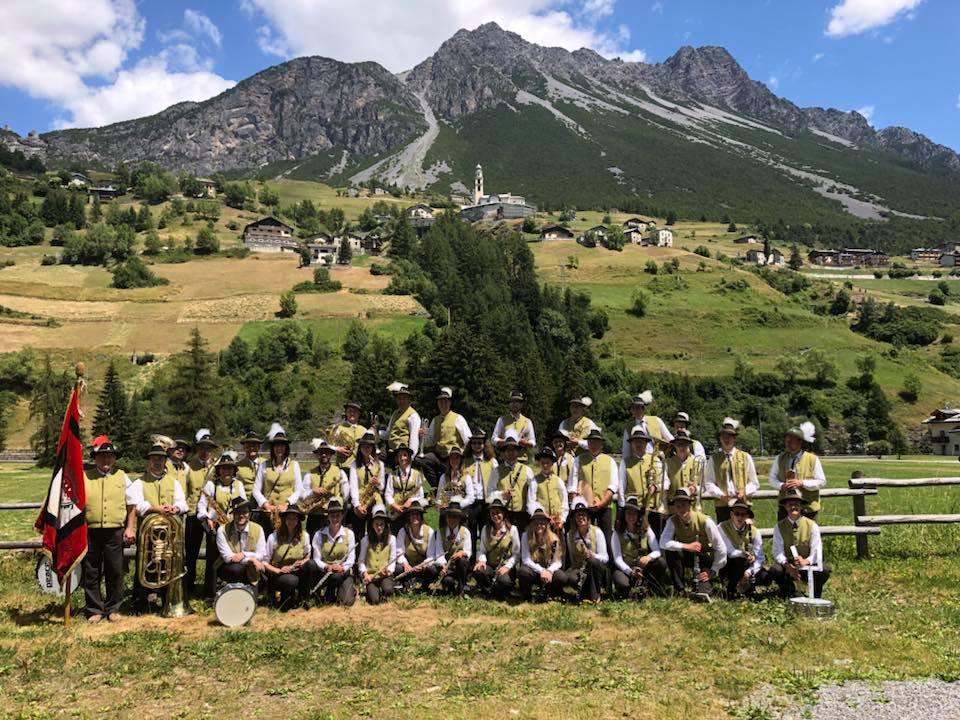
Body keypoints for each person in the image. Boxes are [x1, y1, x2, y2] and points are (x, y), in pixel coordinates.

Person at [82, 437, 136, 623]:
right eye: (102, 456)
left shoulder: (122, 477)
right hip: (91, 531)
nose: (106, 460)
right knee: (91, 571)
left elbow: (131, 505)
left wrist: (130, 528)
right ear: (95, 458)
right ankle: (94, 609)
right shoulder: (85, 477)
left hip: (115, 532)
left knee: (115, 571)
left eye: (109, 457)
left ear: (114, 459)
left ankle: (113, 608)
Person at [660, 488, 727, 601]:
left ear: (690, 505)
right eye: (678, 506)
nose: (681, 509)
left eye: (684, 504)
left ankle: (706, 585)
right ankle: (679, 589)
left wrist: (713, 571)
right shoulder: (672, 520)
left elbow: (721, 549)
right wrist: (686, 546)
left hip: (705, 558)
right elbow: (663, 542)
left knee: (703, 592)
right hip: (689, 555)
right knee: (671, 551)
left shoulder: (705, 521)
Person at [197, 450, 246, 598]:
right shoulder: (211, 485)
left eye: (230, 468)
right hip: (216, 527)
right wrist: (208, 518)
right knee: (213, 561)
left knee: (234, 558)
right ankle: (210, 594)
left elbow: (243, 506)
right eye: (224, 468)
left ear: (234, 470)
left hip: (234, 527)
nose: (227, 471)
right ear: (219, 470)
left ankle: (234, 589)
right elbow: (201, 506)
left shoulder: (239, 485)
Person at [769, 489, 831, 599]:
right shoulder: (779, 526)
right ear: (785, 507)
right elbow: (777, 551)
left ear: (801, 506)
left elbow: (816, 549)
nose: (793, 507)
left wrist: (806, 561)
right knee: (775, 570)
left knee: (824, 570)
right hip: (788, 564)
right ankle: (788, 592)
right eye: (790, 504)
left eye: (796, 504)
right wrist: (788, 566)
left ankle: (815, 595)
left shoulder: (812, 525)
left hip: (807, 562)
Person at [610, 495, 667, 599]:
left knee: (661, 562)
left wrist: (648, 557)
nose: (631, 516)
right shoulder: (617, 533)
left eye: (634, 513)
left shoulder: (646, 529)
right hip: (626, 568)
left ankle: (653, 589)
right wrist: (630, 572)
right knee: (623, 585)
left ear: (638, 515)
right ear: (624, 515)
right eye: (628, 513)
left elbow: (657, 551)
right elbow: (617, 559)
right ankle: (628, 590)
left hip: (642, 567)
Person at [568, 428, 618, 545]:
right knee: (583, 536)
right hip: (584, 507)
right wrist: (576, 499)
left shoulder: (610, 461)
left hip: (604, 506)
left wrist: (602, 502)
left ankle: (608, 561)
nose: (594, 445)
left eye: (596, 442)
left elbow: (614, 485)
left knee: (607, 537)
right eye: (591, 442)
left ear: (601, 444)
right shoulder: (579, 460)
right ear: (588, 443)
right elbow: (573, 482)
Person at [703, 418, 759, 523]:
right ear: (720, 439)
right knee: (723, 536)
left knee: (744, 535)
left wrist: (744, 492)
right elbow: (709, 482)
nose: (726, 439)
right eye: (724, 437)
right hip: (722, 505)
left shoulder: (745, 457)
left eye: (729, 436)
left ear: (734, 439)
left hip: (742, 503)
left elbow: (754, 483)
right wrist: (721, 495)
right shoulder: (713, 459)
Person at [768, 422, 826, 520]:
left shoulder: (813, 459)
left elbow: (821, 481)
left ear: (799, 442)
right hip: (785, 508)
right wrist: (782, 486)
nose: (787, 444)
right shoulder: (779, 458)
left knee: (808, 534)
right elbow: (772, 479)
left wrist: (802, 483)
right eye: (786, 441)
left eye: (790, 441)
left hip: (807, 508)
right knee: (784, 534)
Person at [184, 429, 217, 597]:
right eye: (202, 448)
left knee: (213, 552)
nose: (205, 451)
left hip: (211, 515)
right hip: (192, 515)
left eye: (208, 448)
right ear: (197, 449)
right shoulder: (189, 467)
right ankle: (189, 585)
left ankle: (209, 588)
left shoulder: (217, 467)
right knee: (191, 552)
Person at [418, 386, 472, 490]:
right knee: (422, 460)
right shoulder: (435, 419)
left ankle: (450, 488)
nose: (443, 404)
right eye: (441, 402)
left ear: (450, 403)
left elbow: (468, 440)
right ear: (438, 404)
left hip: (453, 456)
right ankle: (436, 487)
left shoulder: (458, 418)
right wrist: (423, 436)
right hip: (439, 456)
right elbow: (430, 442)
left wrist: (461, 452)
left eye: (445, 402)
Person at [307, 497, 357, 606]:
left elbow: (351, 558)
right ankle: (325, 591)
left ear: (342, 516)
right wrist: (326, 567)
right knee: (312, 565)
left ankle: (341, 590)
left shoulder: (349, 534)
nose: (335, 519)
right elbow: (316, 558)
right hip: (325, 572)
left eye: (338, 516)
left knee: (347, 602)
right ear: (328, 516)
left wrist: (342, 567)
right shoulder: (319, 534)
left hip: (342, 571)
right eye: (332, 516)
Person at [253, 423, 302, 533]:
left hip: (287, 513)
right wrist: (265, 505)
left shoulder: (294, 465)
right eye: (276, 445)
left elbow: (299, 489)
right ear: (273, 447)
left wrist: (287, 503)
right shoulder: (264, 465)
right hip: (268, 513)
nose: (279, 448)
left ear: (286, 447)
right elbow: (256, 490)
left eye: (282, 445)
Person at [618, 426, 667, 534]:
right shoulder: (625, 462)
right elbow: (621, 486)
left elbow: (666, 481)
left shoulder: (656, 459)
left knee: (655, 537)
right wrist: (622, 507)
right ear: (631, 444)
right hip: (635, 508)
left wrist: (656, 487)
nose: (639, 445)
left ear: (646, 443)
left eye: (641, 442)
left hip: (653, 507)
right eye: (636, 442)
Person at [263, 503, 311, 610]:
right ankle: (282, 598)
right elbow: (265, 562)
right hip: (278, 573)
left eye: (294, 518)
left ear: (298, 520)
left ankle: (304, 598)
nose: (291, 521)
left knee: (310, 565)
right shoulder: (273, 537)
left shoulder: (305, 536)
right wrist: (279, 571)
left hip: (297, 570)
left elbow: (308, 556)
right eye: (289, 518)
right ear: (284, 520)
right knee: (291, 581)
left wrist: (302, 562)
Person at [471, 493, 520, 598]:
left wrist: (507, 567)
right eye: (492, 513)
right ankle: (488, 589)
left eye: (498, 513)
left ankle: (499, 590)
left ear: (504, 514)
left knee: (504, 581)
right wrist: (482, 561)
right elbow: (483, 550)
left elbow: (516, 554)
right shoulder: (485, 529)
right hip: (491, 565)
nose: (495, 516)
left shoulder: (512, 530)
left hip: (506, 566)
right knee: (478, 571)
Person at [717, 499, 767, 599]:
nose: (739, 517)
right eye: (737, 514)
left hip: (746, 566)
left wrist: (749, 572)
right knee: (738, 561)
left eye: (743, 514)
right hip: (729, 564)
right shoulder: (721, 527)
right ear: (731, 515)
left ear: (747, 516)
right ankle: (731, 589)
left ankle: (746, 587)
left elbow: (760, 558)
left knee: (765, 577)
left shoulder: (754, 531)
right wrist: (744, 554)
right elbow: (729, 551)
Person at [486, 431, 535, 533]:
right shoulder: (496, 471)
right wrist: (501, 494)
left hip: (522, 514)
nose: (511, 453)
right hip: (504, 514)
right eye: (508, 450)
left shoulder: (527, 470)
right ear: (503, 453)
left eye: (513, 450)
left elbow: (534, 492)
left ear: (518, 452)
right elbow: (489, 493)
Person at [518, 505, 567, 601]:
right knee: (523, 571)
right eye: (536, 523)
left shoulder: (554, 538)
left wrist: (549, 571)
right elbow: (525, 559)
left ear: (546, 524)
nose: (539, 525)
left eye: (542, 523)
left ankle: (552, 592)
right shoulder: (525, 536)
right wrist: (541, 571)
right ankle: (526, 594)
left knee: (562, 577)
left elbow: (558, 561)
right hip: (534, 570)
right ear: (532, 524)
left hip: (548, 571)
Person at [300, 439, 349, 536]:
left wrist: (335, 501)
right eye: (321, 453)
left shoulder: (340, 472)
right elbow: (302, 495)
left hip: (333, 516)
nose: (323, 455)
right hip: (314, 516)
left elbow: (346, 495)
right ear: (317, 455)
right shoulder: (309, 474)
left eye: (326, 453)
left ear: (330, 455)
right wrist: (313, 491)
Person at [565, 497, 609, 604]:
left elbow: (605, 558)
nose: (581, 517)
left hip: (597, 568)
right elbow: (572, 557)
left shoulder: (597, 532)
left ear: (588, 517)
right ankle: (584, 593)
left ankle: (595, 596)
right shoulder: (569, 535)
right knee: (571, 578)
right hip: (579, 568)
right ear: (574, 518)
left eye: (583, 514)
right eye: (578, 515)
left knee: (592, 562)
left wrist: (593, 555)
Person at [215, 498, 265, 586]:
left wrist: (244, 554)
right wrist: (252, 559)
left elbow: (262, 554)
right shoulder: (222, 530)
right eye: (237, 512)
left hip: (252, 569)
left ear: (249, 514)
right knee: (236, 569)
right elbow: (228, 558)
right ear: (233, 514)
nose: (241, 515)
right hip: (230, 569)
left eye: (244, 512)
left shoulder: (259, 529)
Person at [429, 498, 472, 596]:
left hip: (460, 566)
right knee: (448, 581)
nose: (452, 520)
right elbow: (439, 553)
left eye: (455, 517)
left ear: (459, 518)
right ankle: (450, 585)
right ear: (446, 518)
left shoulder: (465, 532)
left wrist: (462, 553)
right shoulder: (441, 532)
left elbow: (469, 551)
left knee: (463, 561)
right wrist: (443, 566)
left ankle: (461, 586)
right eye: (450, 517)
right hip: (446, 567)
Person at [394, 499, 439, 591]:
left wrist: (422, 565)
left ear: (421, 516)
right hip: (408, 568)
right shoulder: (403, 531)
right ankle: (405, 583)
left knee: (433, 570)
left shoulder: (429, 531)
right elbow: (399, 553)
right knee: (397, 568)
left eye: (417, 514)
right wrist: (406, 564)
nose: (415, 517)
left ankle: (424, 585)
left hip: (422, 568)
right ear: (409, 517)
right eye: (412, 514)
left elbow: (431, 556)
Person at [385, 443, 428, 534]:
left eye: (405, 455)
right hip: (396, 510)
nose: (402, 458)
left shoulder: (417, 474)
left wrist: (410, 500)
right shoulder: (392, 475)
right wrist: (394, 505)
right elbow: (388, 494)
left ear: (409, 457)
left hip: (411, 510)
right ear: (397, 458)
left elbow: (421, 495)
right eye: (400, 455)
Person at [358, 504, 397, 605]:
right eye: (377, 524)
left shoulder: (392, 539)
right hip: (371, 576)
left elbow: (393, 559)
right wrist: (365, 573)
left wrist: (388, 571)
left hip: (385, 575)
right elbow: (361, 561)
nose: (379, 527)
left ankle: (386, 590)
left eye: (382, 524)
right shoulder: (365, 540)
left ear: (385, 525)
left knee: (388, 590)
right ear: (372, 525)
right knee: (375, 600)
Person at [349, 431, 385, 540]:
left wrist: (377, 483)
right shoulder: (354, 465)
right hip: (360, 501)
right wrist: (357, 505)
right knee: (358, 533)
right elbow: (353, 487)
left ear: (373, 448)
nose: (366, 448)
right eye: (364, 446)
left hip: (375, 501)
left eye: (369, 446)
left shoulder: (380, 464)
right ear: (360, 448)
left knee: (374, 532)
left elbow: (382, 487)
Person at [464, 430, 497, 537]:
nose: (477, 446)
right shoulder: (465, 461)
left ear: (484, 444)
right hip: (471, 503)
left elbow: (497, 481)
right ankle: (471, 554)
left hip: (485, 502)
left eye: (479, 443)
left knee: (486, 533)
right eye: (474, 443)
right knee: (470, 533)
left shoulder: (492, 461)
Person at [621, 391, 673, 459]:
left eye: (639, 407)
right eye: (634, 408)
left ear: (644, 409)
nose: (637, 410)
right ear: (631, 410)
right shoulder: (628, 428)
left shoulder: (656, 420)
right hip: (637, 462)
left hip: (656, 460)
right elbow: (626, 451)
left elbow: (669, 438)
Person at [529, 446, 568, 535]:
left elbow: (564, 501)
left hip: (557, 522)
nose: (545, 465)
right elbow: (531, 502)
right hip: (541, 523)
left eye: (548, 463)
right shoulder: (534, 481)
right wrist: (542, 515)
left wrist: (562, 519)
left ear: (552, 464)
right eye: (543, 463)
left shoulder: (558, 480)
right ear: (539, 463)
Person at [491, 391, 536, 465]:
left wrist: (526, 443)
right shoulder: (502, 420)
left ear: (521, 404)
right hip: (505, 459)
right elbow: (493, 439)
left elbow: (533, 442)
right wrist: (506, 442)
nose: (514, 404)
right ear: (509, 404)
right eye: (512, 401)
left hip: (521, 460)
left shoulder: (527, 421)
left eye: (517, 401)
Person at [665, 430, 705, 512]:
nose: (681, 447)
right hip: (673, 508)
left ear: (689, 445)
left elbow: (704, 486)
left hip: (692, 507)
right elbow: (664, 487)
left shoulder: (697, 462)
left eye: (684, 444)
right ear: (675, 446)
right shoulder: (667, 463)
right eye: (679, 444)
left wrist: (695, 489)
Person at [381, 382, 422, 464]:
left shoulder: (413, 416)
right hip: (391, 449)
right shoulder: (395, 414)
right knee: (375, 454)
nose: (401, 401)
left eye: (404, 398)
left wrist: (411, 457)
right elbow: (389, 433)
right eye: (399, 398)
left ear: (409, 399)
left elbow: (414, 438)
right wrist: (376, 432)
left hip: (402, 450)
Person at [436, 444, 474, 520]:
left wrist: (457, 505)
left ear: (461, 460)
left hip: (461, 513)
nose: (454, 461)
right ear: (449, 460)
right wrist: (441, 505)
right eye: (452, 458)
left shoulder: (466, 477)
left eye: (457, 458)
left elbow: (471, 497)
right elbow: (439, 497)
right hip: (446, 514)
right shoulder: (443, 477)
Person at [329, 400, 367, 469]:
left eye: (355, 411)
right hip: (343, 468)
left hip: (360, 469)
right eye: (350, 411)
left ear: (359, 414)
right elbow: (327, 445)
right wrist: (337, 449)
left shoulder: (364, 430)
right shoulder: (337, 428)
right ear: (346, 413)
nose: (352, 413)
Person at [236, 430, 263, 498]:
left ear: (259, 447)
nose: (251, 448)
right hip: (246, 503)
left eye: (254, 445)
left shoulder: (266, 463)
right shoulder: (237, 466)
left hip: (265, 503)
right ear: (244, 448)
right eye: (248, 446)